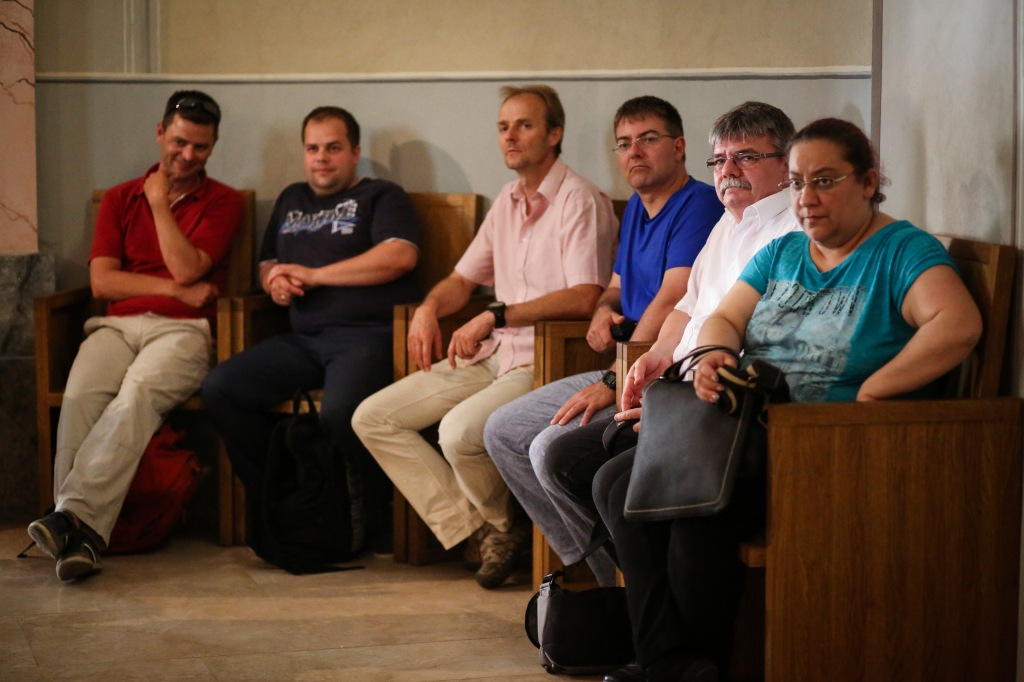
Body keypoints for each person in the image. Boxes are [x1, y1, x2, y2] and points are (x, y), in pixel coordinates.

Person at [593, 117, 982, 682]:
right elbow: (724, 317)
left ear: (868, 181)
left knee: (693, 505)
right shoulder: (784, 253)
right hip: (753, 429)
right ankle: (674, 662)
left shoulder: (900, 250)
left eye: (824, 181)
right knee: (615, 483)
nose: (807, 198)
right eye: (798, 183)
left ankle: (684, 665)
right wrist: (714, 355)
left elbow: (957, 324)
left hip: (830, 447)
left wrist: (877, 388)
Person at [352, 84, 617, 589]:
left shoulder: (579, 199)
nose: (510, 136)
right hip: (494, 353)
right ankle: (488, 529)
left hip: (545, 357)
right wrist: (429, 308)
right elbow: (461, 280)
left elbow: (586, 296)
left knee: (457, 433)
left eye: (524, 125)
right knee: (374, 417)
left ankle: (497, 530)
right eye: (503, 127)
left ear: (554, 134)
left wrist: (496, 315)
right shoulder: (507, 200)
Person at [537, 101, 801, 584]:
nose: (728, 170)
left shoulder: (792, 233)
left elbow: (759, 344)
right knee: (561, 458)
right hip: (676, 392)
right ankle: (644, 594)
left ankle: (654, 606)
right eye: (719, 160)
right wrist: (657, 356)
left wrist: (674, 403)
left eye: (746, 157)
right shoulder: (726, 224)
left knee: (607, 480)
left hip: (717, 406)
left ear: (786, 164)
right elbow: (687, 307)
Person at [482, 96, 722, 587]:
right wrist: (602, 310)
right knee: (502, 431)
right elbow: (614, 286)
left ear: (679, 147)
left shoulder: (698, 203)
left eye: (648, 139)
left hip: (652, 372)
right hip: (619, 360)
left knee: (547, 446)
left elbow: (674, 297)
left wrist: (615, 378)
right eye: (624, 143)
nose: (635, 152)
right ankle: (592, 571)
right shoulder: (636, 207)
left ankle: (616, 582)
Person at [27, 91, 244, 581]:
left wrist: (159, 204)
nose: (188, 155)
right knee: (80, 395)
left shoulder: (224, 202)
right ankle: (77, 539)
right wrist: (174, 289)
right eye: (180, 142)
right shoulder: (119, 198)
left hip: (184, 331)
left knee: (137, 394)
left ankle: (70, 522)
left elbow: (188, 266)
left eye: (201, 147)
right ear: (160, 133)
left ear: (213, 147)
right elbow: (103, 282)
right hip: (116, 326)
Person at [202, 106, 422, 555]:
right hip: (303, 340)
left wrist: (316, 276)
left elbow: (399, 256)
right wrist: (274, 282)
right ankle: (286, 500)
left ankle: (375, 511)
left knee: (340, 413)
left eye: (333, 148)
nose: (321, 158)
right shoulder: (291, 199)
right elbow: (268, 262)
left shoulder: (381, 195)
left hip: (368, 336)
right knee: (221, 387)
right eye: (313, 148)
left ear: (355, 152)